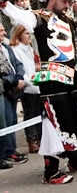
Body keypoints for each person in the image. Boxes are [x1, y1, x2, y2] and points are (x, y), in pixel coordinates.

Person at [0, 0, 77, 184]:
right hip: (52, 82)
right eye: (65, 0)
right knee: (55, 124)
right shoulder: (39, 18)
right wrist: (5, 3)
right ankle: (51, 172)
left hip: (72, 79)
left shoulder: (68, 21)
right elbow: (20, 15)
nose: (68, 4)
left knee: (75, 121)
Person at [0, 21, 28, 168]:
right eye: (1, 31)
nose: (4, 33)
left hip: (12, 90)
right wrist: (12, 81)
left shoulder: (5, 47)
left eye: (4, 30)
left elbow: (18, 64)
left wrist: (19, 77)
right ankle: (3, 153)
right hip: (4, 89)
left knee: (11, 121)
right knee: (2, 123)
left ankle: (11, 151)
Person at [10, 25, 42, 153]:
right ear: (19, 35)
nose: (30, 36)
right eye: (26, 33)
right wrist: (28, 81)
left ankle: (39, 137)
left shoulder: (29, 49)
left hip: (36, 84)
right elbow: (20, 69)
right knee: (30, 114)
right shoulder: (16, 50)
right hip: (28, 86)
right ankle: (32, 140)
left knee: (38, 113)